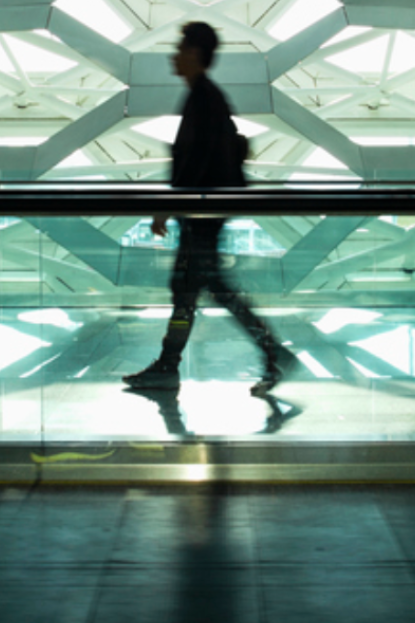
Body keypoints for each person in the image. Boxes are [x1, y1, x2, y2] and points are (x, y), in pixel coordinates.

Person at [123, 21, 290, 396]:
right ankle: (264, 352)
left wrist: (169, 206)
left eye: (180, 48)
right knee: (200, 290)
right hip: (202, 216)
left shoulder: (203, 99)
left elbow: (195, 164)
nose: (174, 55)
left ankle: (175, 366)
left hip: (200, 217)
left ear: (195, 54)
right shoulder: (205, 97)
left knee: (195, 291)